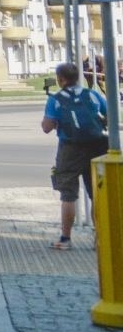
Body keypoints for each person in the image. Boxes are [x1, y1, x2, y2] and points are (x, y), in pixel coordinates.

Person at [42, 61, 108, 250]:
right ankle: (100, 240)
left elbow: (47, 127)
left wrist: (56, 122)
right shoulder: (93, 95)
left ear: (60, 79)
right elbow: (109, 115)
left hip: (70, 149)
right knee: (97, 194)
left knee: (68, 195)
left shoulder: (55, 99)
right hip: (97, 147)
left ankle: (66, 239)